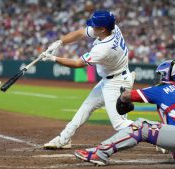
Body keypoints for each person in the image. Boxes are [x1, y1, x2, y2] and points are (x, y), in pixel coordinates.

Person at [74, 59, 175, 165]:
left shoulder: (162, 89)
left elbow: (127, 95)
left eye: (160, 74)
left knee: (141, 126)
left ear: (165, 75)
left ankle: (100, 154)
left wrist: (123, 98)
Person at [41, 10, 134, 149]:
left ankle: (160, 134)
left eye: (95, 26)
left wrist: (53, 58)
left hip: (116, 83)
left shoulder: (104, 49)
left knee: (119, 124)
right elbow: (80, 33)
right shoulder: (112, 28)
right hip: (112, 79)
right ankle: (64, 138)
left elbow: (78, 64)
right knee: (87, 106)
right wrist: (60, 42)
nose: (92, 27)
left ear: (102, 29)